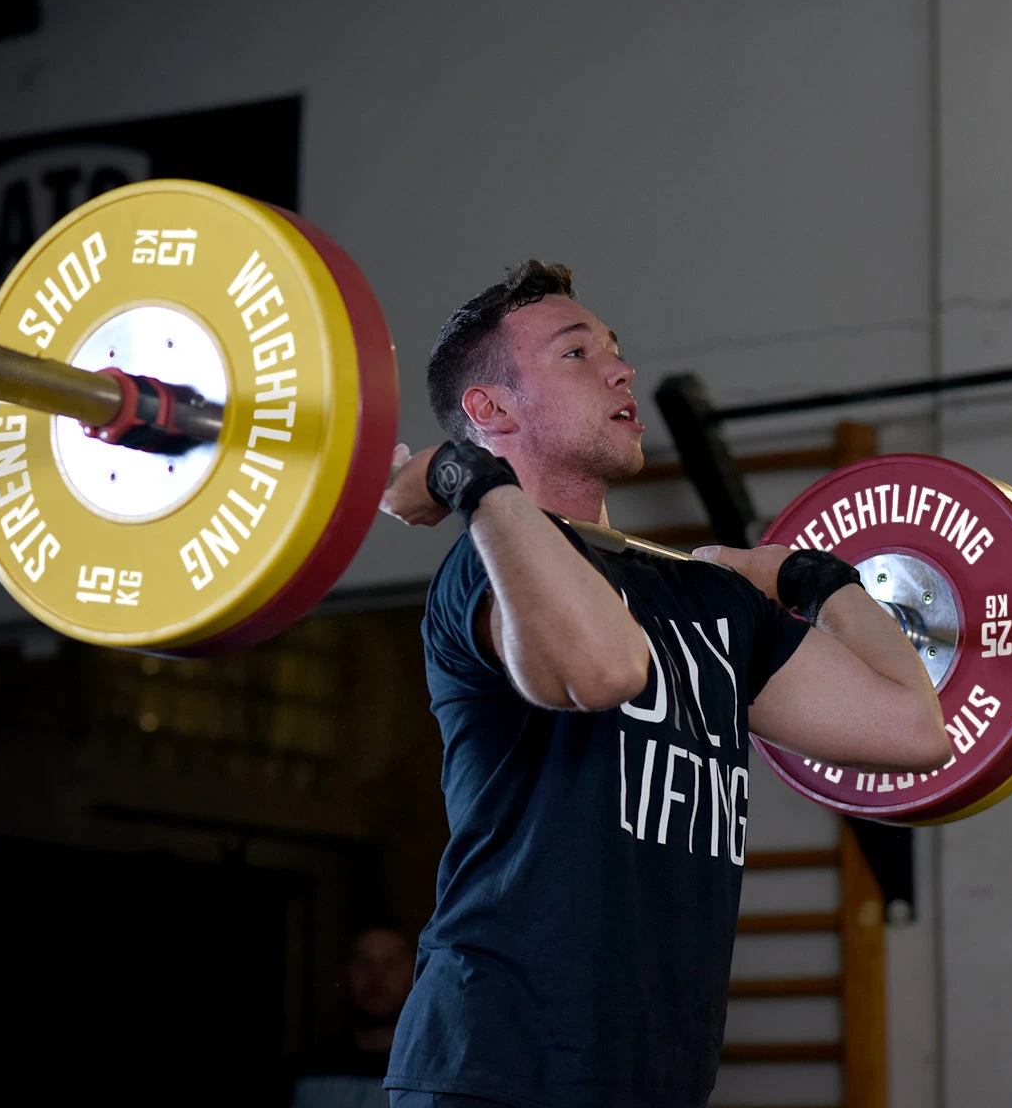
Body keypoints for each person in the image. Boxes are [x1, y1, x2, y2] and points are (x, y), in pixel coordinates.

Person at [377, 260, 951, 1108]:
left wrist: (813, 579)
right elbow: (605, 669)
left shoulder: (710, 602)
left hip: (653, 1079)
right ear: (490, 411)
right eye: (577, 353)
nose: (621, 369)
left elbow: (914, 730)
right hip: (494, 1069)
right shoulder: (487, 570)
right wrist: (469, 481)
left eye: (614, 348)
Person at [290, 923, 416, 1108]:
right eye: (364, 963)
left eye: (391, 964)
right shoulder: (306, 1071)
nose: (376, 976)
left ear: (413, 972)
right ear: (345, 972)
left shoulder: (431, 1075)